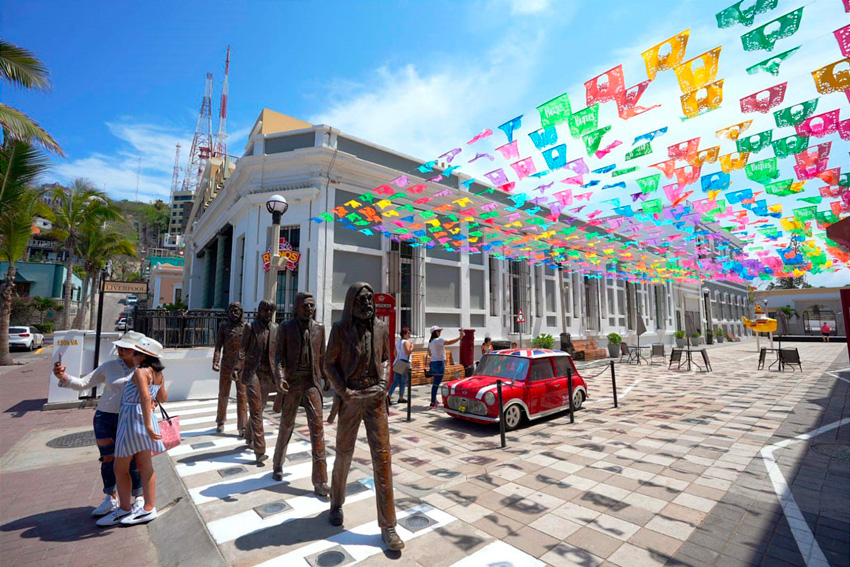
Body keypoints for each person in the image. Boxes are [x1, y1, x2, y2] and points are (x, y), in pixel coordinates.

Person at [325, 282, 404, 552]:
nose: (368, 303)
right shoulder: (340, 330)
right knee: (344, 455)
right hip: (350, 398)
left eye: (370, 299)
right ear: (351, 303)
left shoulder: (381, 328)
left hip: (375, 399)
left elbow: (385, 358)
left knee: (382, 460)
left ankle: (389, 525)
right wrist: (343, 391)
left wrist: (383, 383)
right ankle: (336, 503)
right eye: (362, 299)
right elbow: (329, 364)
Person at [53, 331, 146, 518]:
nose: (120, 350)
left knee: (134, 461)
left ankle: (139, 498)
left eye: (125, 348)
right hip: (104, 418)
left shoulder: (145, 369)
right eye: (119, 347)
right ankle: (110, 498)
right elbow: (83, 383)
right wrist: (63, 377)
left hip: (129, 420)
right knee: (107, 459)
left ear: (138, 350)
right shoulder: (109, 366)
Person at [97, 337, 167, 526]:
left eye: (136, 352)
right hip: (145, 419)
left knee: (120, 468)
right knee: (145, 466)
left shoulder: (140, 372)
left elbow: (145, 397)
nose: (132, 356)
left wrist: (148, 426)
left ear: (144, 355)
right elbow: (162, 397)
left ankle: (124, 509)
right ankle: (148, 507)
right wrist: (150, 422)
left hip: (132, 420)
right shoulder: (157, 373)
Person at [272, 292, 330, 496]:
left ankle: (321, 480)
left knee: (318, 428)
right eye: (306, 305)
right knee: (286, 425)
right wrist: (280, 378)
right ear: (297, 307)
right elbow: (278, 356)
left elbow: (322, 355)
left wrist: (326, 376)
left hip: (312, 382)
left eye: (312, 305)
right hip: (293, 382)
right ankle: (277, 463)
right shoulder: (285, 327)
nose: (310, 309)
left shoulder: (320, 328)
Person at [238, 299, 278, 465]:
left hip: (268, 374)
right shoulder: (250, 327)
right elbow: (242, 350)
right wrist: (237, 368)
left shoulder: (276, 328)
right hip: (252, 371)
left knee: (259, 408)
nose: (268, 314)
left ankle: (248, 434)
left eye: (271, 311)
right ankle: (260, 451)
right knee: (255, 409)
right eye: (265, 310)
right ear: (259, 311)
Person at [212, 302, 248, 435]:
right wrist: (216, 361)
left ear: (241, 312)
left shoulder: (246, 328)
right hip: (226, 364)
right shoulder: (224, 327)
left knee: (242, 395)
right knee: (223, 393)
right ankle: (220, 420)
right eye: (232, 310)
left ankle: (243, 426)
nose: (234, 313)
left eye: (237, 310)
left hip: (241, 366)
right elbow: (218, 346)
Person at [426, 326, 464, 408]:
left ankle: (434, 399)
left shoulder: (431, 342)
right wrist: (459, 338)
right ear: (436, 332)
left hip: (433, 363)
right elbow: (449, 342)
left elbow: (429, 354)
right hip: (439, 363)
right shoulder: (438, 340)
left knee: (435, 383)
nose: (440, 332)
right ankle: (433, 402)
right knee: (436, 384)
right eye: (439, 331)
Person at [388, 327, 413, 404]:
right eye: (408, 333)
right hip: (405, 362)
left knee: (395, 381)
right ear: (404, 334)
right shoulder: (406, 342)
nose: (409, 334)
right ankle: (401, 397)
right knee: (403, 381)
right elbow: (407, 352)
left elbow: (395, 353)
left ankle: (389, 396)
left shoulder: (398, 342)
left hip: (398, 362)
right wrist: (412, 347)